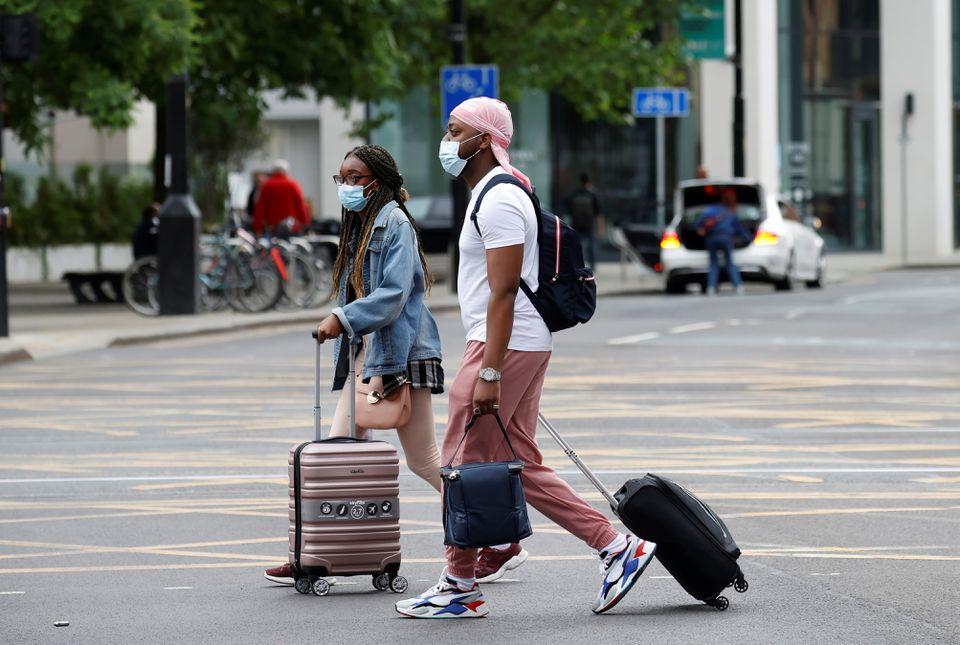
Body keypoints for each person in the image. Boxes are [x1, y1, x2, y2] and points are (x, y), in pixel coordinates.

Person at [395, 97, 657, 619]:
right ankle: (615, 547)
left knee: (460, 464)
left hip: (504, 343)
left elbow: (504, 291)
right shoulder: (499, 192)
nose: (447, 140)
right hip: (517, 341)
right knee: (517, 463)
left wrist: (489, 370)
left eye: (456, 130)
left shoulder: (498, 200)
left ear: (484, 139)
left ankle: (459, 583)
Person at [263, 144, 444, 586]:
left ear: (377, 182)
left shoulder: (394, 223)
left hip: (401, 356)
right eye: (341, 177)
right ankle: (313, 552)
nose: (346, 185)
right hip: (369, 353)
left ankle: (494, 540)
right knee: (337, 450)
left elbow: (394, 294)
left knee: (423, 461)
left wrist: (339, 318)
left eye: (355, 177)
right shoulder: (362, 225)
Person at [695, 187, 751, 295]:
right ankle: (738, 287)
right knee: (729, 263)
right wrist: (751, 239)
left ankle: (711, 288)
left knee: (713, 264)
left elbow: (698, 223)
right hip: (725, 239)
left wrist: (701, 229)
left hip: (711, 239)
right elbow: (740, 230)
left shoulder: (711, 209)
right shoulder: (731, 213)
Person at [252, 160, 310, 235]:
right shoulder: (293, 185)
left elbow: (260, 208)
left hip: (272, 228)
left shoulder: (266, 186)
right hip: (291, 228)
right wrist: (304, 223)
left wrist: (258, 227)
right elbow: (300, 206)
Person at [567, 173, 604, 268]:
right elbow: (598, 213)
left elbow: (569, 211)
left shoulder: (575, 194)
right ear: (589, 182)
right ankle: (592, 266)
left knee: (578, 247)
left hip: (576, 224)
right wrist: (601, 228)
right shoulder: (592, 194)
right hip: (589, 224)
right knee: (591, 247)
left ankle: (578, 265)